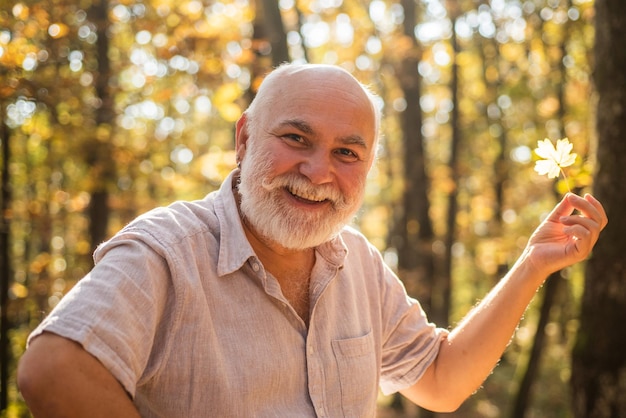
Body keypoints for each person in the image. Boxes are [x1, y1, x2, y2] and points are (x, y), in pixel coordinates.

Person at [17, 63, 607, 417]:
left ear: (367, 168)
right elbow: (52, 368)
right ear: (246, 138)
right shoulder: (166, 249)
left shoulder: (360, 265)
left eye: (346, 153)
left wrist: (531, 265)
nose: (319, 171)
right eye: (296, 138)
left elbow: (441, 379)